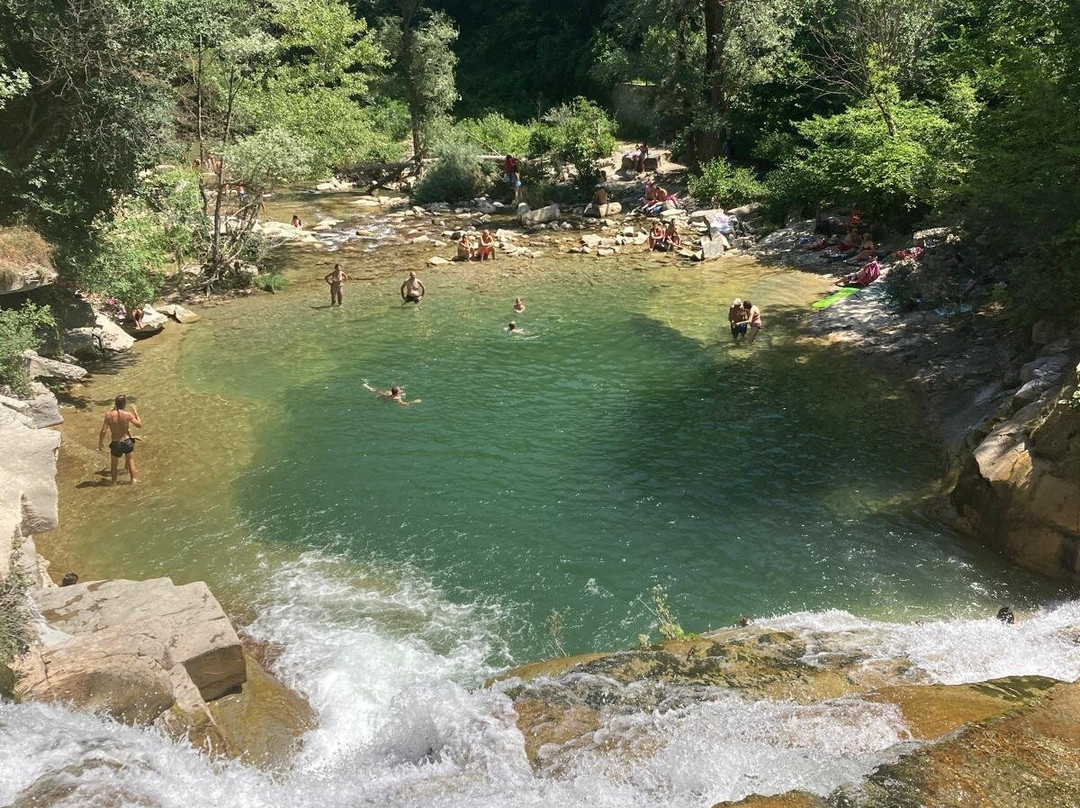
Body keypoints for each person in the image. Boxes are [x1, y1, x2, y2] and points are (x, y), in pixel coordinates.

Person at [98, 394, 143, 484]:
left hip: (116, 443)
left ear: (115, 403)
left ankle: (114, 483)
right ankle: (133, 480)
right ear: (124, 404)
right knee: (130, 461)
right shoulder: (128, 414)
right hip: (127, 441)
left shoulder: (109, 415)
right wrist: (135, 412)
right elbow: (139, 425)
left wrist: (100, 442)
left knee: (114, 465)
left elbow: (103, 430)